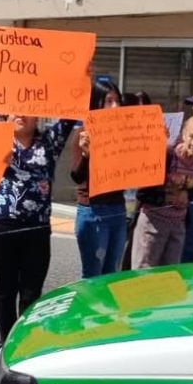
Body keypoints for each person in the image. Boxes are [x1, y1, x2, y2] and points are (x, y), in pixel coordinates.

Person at [0, 113, 75, 340]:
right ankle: (6, 346)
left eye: (27, 108)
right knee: (5, 293)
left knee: (31, 294)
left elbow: (70, 113)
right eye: (14, 108)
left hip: (37, 229)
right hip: (0, 227)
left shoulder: (50, 141)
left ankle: (25, 346)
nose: (20, 114)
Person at [131, 115, 193, 268]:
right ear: (183, 135)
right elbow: (142, 192)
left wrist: (187, 194)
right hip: (152, 224)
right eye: (192, 136)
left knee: (169, 276)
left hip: (177, 226)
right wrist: (167, 197)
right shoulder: (168, 154)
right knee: (143, 276)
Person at [70, 85, 127, 278]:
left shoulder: (123, 134)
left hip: (118, 210)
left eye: (117, 101)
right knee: (93, 275)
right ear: (97, 103)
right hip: (93, 211)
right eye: (109, 101)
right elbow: (76, 177)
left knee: (112, 273)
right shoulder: (83, 133)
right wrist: (87, 155)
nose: (115, 106)